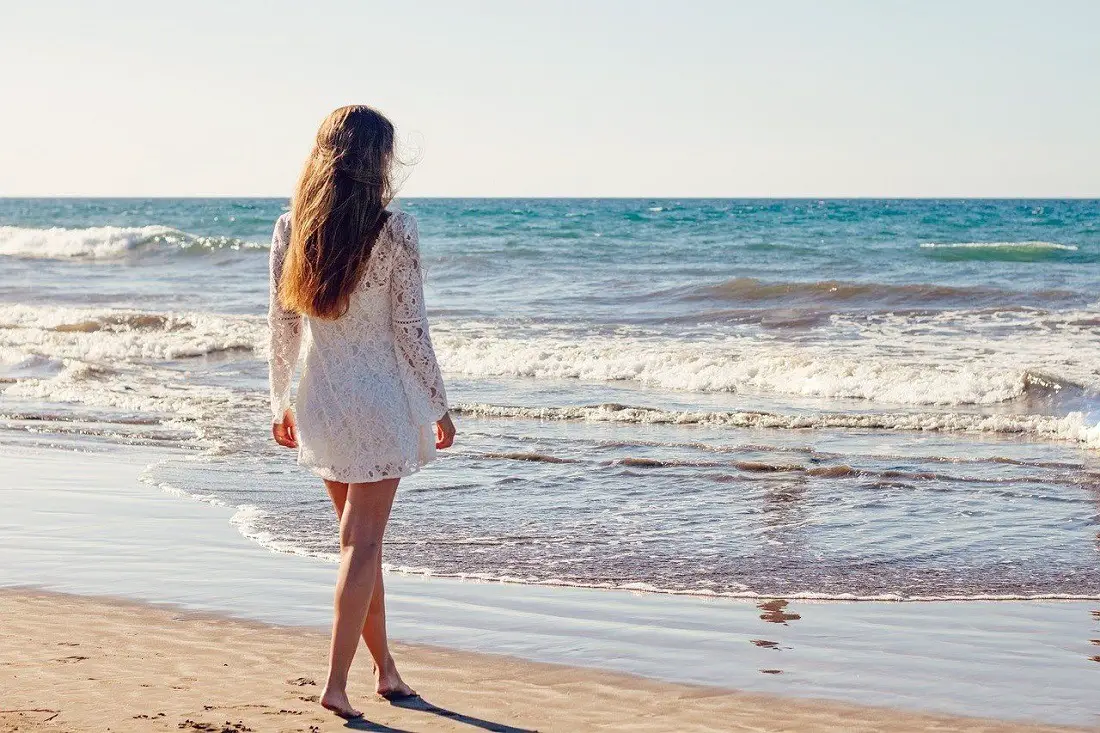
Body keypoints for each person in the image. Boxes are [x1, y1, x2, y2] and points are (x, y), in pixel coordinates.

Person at [267, 105, 456, 719]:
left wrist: (280, 398)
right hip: (378, 404)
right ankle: (335, 684)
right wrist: (439, 403)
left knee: (357, 546)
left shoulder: (292, 228)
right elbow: (411, 329)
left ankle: (387, 671)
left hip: (320, 400)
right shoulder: (395, 230)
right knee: (362, 545)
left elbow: (283, 326)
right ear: (377, 160)